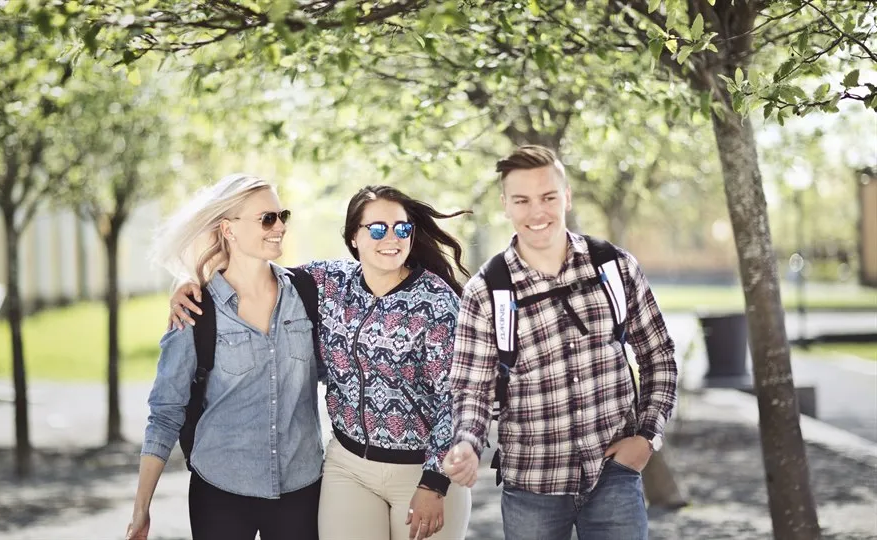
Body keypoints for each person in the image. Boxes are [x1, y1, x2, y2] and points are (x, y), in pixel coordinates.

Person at [171, 185, 473, 539]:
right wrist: (190, 281)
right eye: (377, 229)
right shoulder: (328, 283)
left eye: (401, 228)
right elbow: (252, 270)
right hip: (349, 470)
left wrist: (435, 483)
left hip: (421, 470)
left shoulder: (437, 303)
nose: (391, 238)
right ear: (354, 237)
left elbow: (456, 399)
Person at [442, 146, 678, 540]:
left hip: (614, 477)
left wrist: (647, 438)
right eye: (522, 200)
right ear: (505, 206)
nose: (537, 212)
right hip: (532, 487)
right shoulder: (487, 291)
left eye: (548, 197)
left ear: (566, 197)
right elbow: (471, 388)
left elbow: (659, 356)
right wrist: (467, 442)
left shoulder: (614, 267)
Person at [127, 174, 323, 540]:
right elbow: (165, 413)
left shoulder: (307, 293)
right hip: (221, 490)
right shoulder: (195, 309)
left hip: (302, 486)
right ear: (228, 229)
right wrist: (142, 509)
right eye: (267, 218)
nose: (279, 226)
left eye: (283, 215)